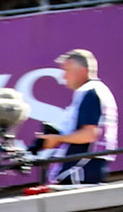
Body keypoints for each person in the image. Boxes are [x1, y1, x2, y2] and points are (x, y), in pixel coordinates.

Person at [39, 49, 118, 185]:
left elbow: (89, 134)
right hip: (87, 169)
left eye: (67, 71)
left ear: (82, 71)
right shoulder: (98, 90)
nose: (64, 77)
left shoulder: (89, 92)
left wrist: (57, 139)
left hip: (79, 171)